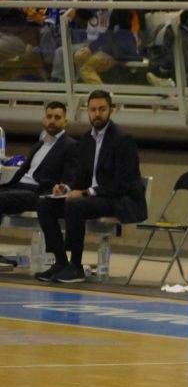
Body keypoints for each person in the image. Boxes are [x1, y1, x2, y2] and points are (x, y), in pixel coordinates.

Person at [35, 90, 147, 283]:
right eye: (93, 109)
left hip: (117, 199)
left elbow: (122, 183)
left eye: (102, 109)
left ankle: (76, 266)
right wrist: (66, 188)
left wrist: (87, 192)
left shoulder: (123, 139)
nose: (97, 114)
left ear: (111, 110)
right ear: (87, 111)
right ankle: (61, 261)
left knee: (75, 205)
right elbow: (80, 177)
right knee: (45, 204)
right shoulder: (86, 139)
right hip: (94, 197)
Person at [0, 102, 78, 268]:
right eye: (49, 116)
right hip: (19, 185)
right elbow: (23, 172)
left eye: (57, 117)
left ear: (65, 121)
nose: (52, 121)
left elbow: (72, 178)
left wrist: (63, 187)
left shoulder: (70, 145)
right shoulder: (39, 144)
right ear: (44, 119)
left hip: (39, 192)